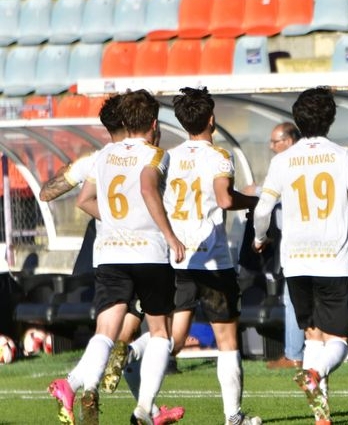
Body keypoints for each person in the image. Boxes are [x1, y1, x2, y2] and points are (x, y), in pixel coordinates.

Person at [252, 87, 348, 425]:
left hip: (296, 260)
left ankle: (321, 415)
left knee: (313, 336)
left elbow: (262, 209)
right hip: (333, 259)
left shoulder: (282, 160)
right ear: (331, 119)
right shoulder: (343, 154)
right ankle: (314, 373)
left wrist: (260, 238)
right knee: (339, 343)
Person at [50, 90, 186, 425]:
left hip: (110, 254)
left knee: (105, 330)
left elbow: (84, 200)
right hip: (150, 253)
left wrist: (114, 221)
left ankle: (72, 384)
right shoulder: (157, 155)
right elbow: (146, 187)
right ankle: (144, 410)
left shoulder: (104, 154)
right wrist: (170, 235)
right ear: (154, 124)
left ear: (125, 122)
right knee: (159, 333)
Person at [157, 86, 260, 425]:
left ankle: (142, 391)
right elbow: (226, 199)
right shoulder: (218, 156)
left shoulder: (169, 157)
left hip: (179, 258)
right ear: (211, 119)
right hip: (213, 260)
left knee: (170, 342)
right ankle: (233, 416)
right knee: (227, 340)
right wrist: (255, 203)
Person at [263, 122, 305, 370]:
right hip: (324, 243)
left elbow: (270, 197)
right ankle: (300, 352)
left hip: (297, 244)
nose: (272, 147)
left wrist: (255, 191)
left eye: (275, 141)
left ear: (288, 141)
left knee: (293, 298)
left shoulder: (284, 162)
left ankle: (294, 354)